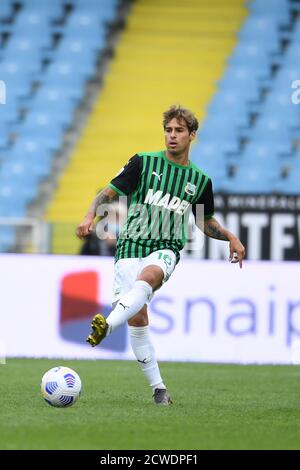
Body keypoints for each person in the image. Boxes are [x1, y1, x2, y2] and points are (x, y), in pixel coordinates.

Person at [76, 105, 246, 406]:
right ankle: (159, 389)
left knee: (150, 276)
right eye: (168, 130)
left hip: (165, 246)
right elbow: (109, 193)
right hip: (130, 246)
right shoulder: (143, 162)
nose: (172, 136)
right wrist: (91, 216)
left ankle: (107, 324)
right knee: (138, 318)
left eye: (179, 130)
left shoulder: (200, 181)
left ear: (192, 135)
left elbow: (204, 223)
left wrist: (231, 236)